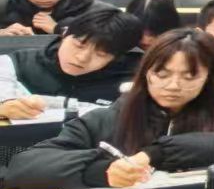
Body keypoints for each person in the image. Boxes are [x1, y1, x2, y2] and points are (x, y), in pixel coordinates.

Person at [3, 29, 214, 189]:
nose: (173, 86)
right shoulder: (109, 117)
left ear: (209, 78)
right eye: (162, 74)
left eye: (190, 76)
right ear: (146, 74)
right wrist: (101, 171)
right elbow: (24, 166)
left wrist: (154, 154)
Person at [0, 6, 142, 114]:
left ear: (116, 57)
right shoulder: (17, 63)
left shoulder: (136, 78)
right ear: (64, 35)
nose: (82, 58)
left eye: (101, 54)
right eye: (78, 45)